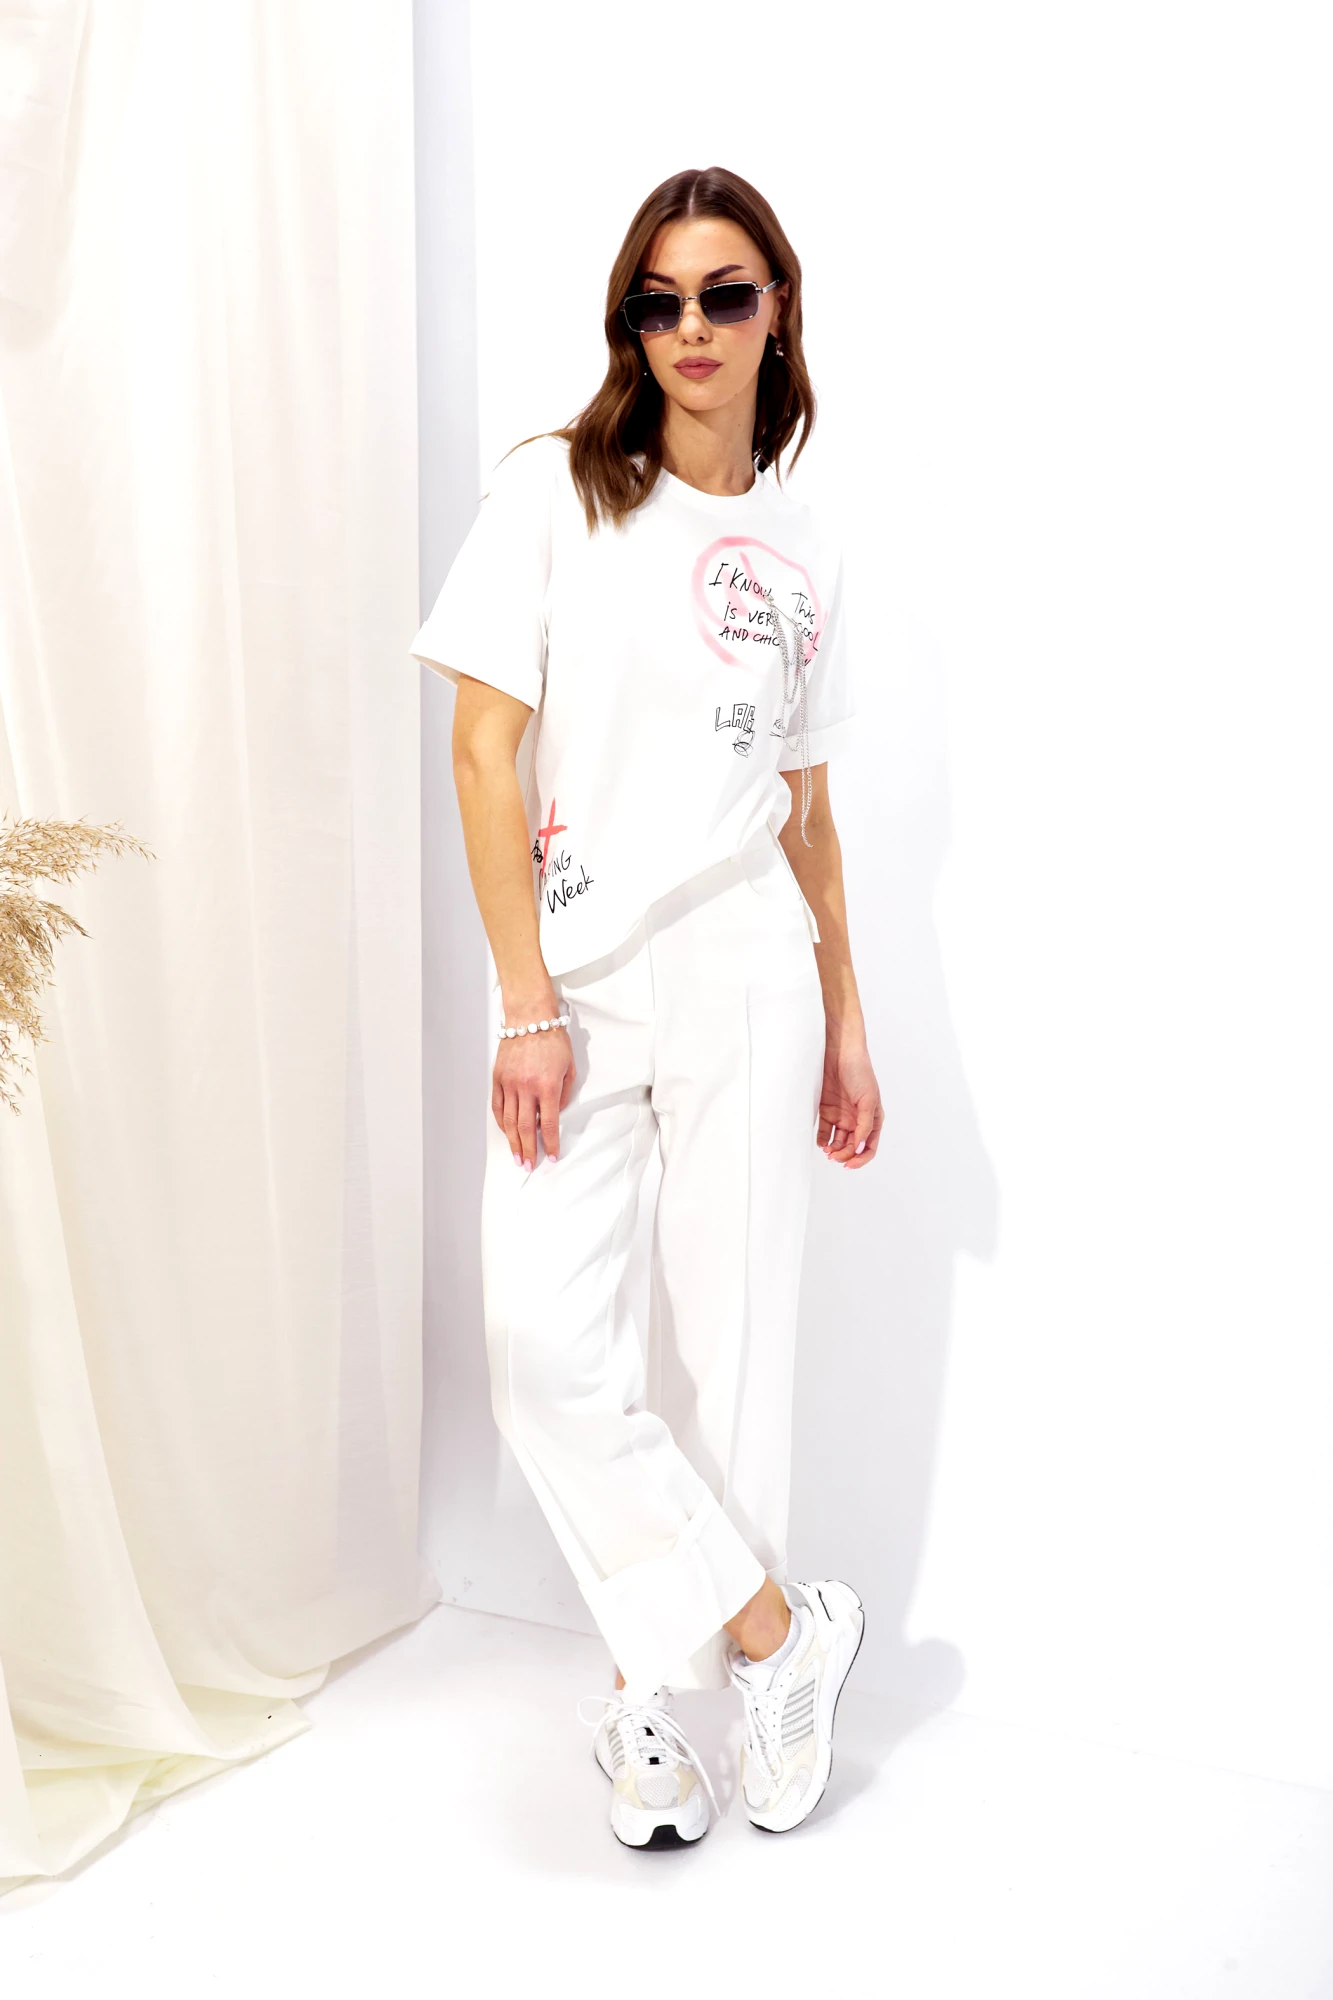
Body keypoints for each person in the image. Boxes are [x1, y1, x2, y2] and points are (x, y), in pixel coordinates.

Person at [411, 165, 882, 1849]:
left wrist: (847, 1014)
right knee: (544, 1357)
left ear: (777, 310)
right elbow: (482, 751)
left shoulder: (811, 542)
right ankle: (773, 1635)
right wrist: (522, 1001)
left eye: (725, 295)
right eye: (660, 301)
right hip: (580, 983)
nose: (693, 327)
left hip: (752, 961)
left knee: (736, 1360)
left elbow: (807, 810)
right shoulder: (556, 491)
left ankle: (652, 1715)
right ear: (632, 322)